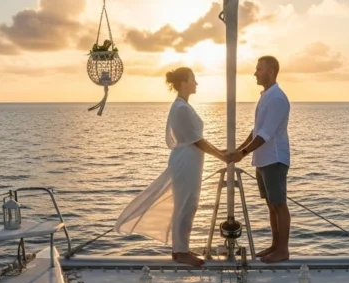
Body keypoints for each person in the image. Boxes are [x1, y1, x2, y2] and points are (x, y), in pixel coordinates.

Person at [115, 68, 226, 267]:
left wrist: (220, 151)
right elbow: (197, 140)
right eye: (193, 79)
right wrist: (222, 156)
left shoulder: (182, 106)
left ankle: (180, 248)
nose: (196, 83)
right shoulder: (181, 108)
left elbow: (194, 138)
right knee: (186, 204)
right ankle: (181, 251)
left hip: (190, 159)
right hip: (187, 160)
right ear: (183, 83)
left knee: (186, 203)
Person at [227, 56, 291, 263]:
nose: (255, 73)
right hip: (262, 159)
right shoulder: (266, 96)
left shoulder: (277, 99)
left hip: (274, 158)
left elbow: (266, 133)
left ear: (271, 71)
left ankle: (283, 250)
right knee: (271, 205)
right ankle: (275, 245)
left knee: (279, 204)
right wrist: (239, 149)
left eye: (259, 69)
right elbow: (256, 130)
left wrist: (243, 154)